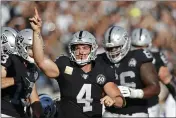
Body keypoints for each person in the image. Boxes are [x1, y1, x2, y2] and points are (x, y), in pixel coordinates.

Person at [29, 8, 125, 118]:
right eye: (77, 48)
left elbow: (120, 100)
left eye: (85, 48)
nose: (81, 52)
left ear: (92, 49)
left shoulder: (101, 69)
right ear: (72, 50)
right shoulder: (65, 64)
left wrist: (112, 99)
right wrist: (36, 32)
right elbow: (41, 61)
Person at [97, 26, 160, 117]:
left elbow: (155, 88)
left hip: (135, 113)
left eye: (117, 47)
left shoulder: (139, 56)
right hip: (110, 112)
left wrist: (134, 93)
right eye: (109, 48)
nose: (113, 52)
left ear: (126, 43)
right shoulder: (101, 59)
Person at [131, 28, 176, 117]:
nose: (140, 50)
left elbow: (167, 79)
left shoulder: (156, 58)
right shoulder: (122, 59)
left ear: (149, 45)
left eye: (143, 46)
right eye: (137, 46)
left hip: (150, 107)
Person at [1, 27, 43, 118]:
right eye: (32, 48)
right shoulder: (10, 59)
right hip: (3, 111)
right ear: (22, 46)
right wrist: (17, 80)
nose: (36, 52)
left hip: (19, 114)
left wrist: (39, 113)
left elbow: (34, 98)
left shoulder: (32, 68)